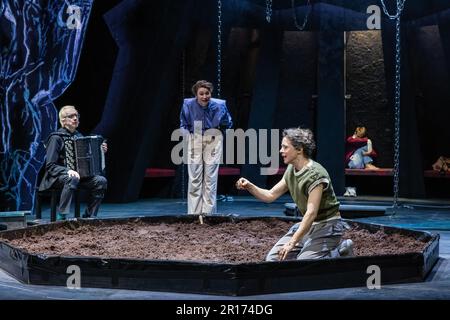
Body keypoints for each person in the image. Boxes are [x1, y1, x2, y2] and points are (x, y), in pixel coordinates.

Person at [236, 127, 353, 261]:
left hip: (327, 226)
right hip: (309, 225)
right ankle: (311, 249)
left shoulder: (315, 175)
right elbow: (270, 195)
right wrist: (249, 186)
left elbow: (311, 213)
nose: (281, 151)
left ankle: (340, 251)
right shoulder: (292, 169)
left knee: (304, 263)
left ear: (299, 149)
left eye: (285, 147)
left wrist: (292, 242)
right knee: (274, 259)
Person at [39, 105, 108, 220]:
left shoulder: (79, 136)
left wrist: (100, 151)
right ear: (63, 120)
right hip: (56, 177)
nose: (75, 118)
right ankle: (62, 215)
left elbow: (88, 158)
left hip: (78, 177)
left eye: (76, 115)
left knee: (101, 181)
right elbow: (50, 166)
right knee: (72, 178)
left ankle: (89, 216)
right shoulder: (56, 138)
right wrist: (68, 170)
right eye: (71, 116)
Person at [180, 80, 233, 216]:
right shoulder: (188, 104)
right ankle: (193, 214)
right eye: (201, 94)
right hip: (195, 138)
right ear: (196, 94)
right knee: (195, 178)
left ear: (211, 93)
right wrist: (189, 139)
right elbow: (183, 124)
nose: (204, 97)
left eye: (207, 93)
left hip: (213, 139)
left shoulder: (220, 105)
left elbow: (228, 122)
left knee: (210, 178)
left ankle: (208, 214)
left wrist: (220, 136)